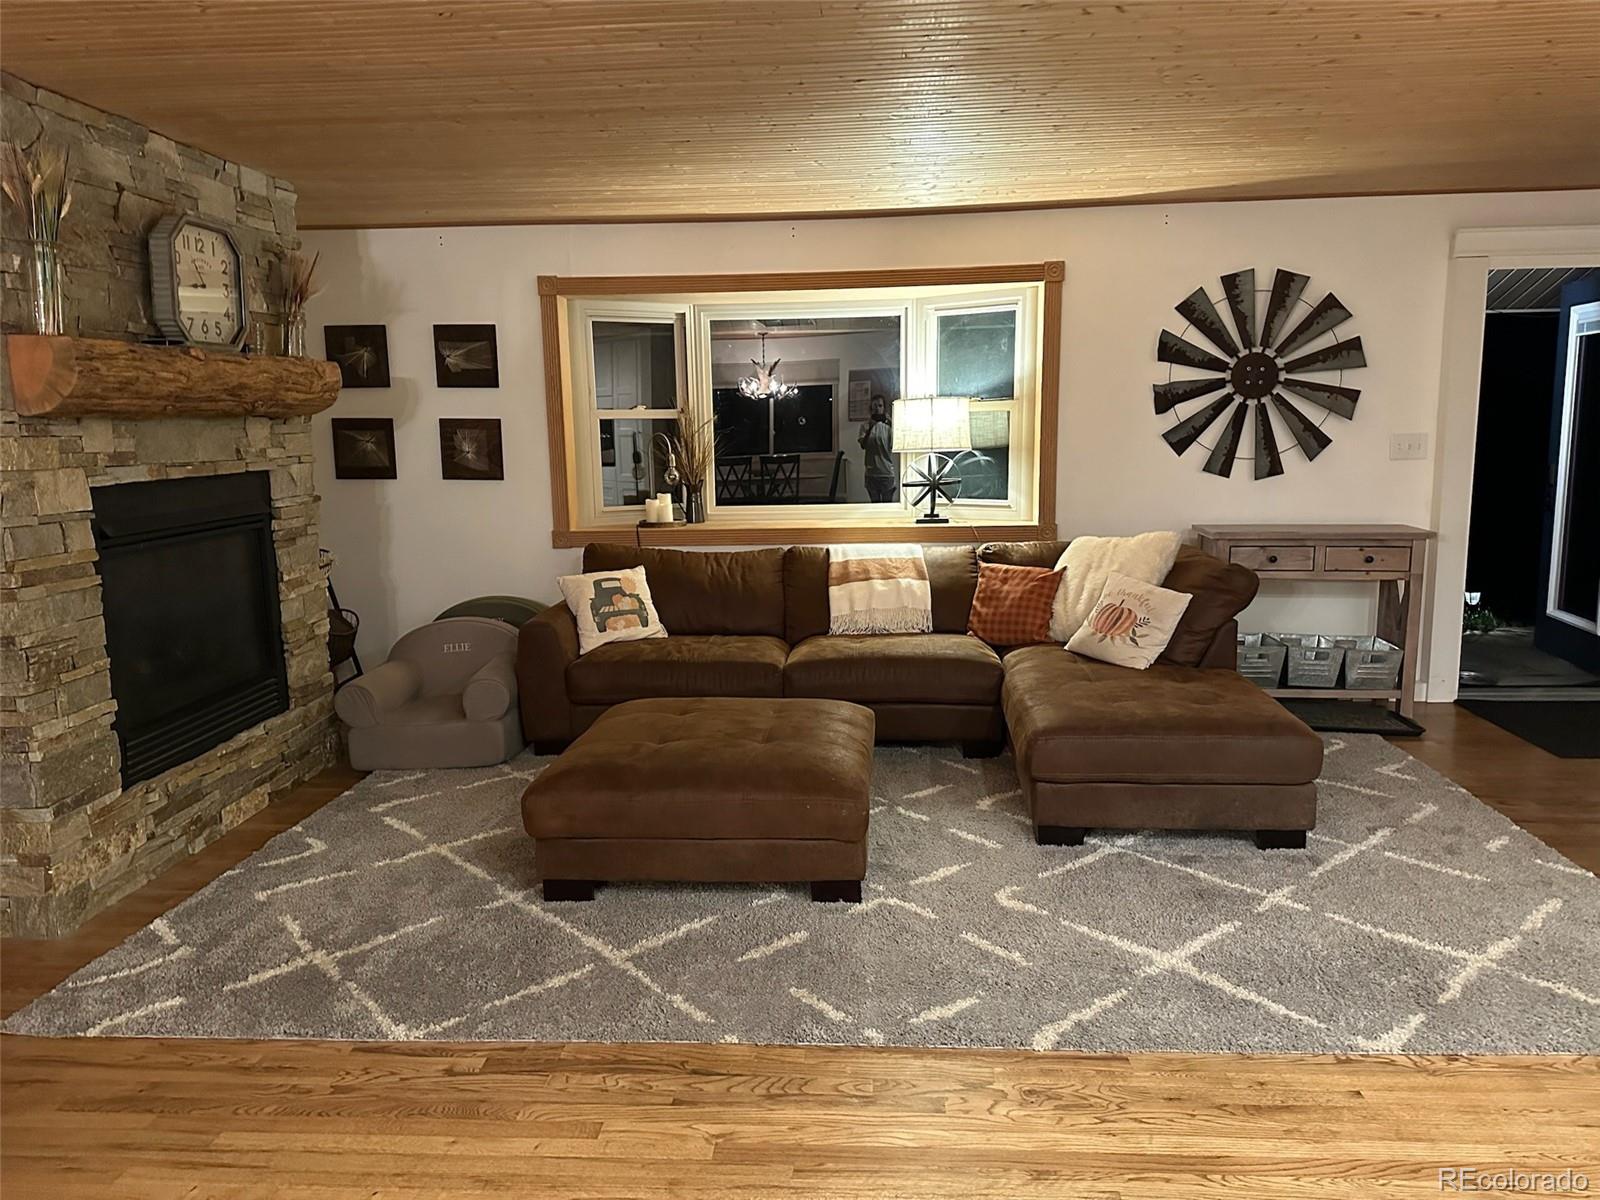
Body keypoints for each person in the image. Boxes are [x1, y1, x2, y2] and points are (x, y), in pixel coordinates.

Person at [858, 394, 896, 502]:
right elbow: (863, 445)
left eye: (880, 405)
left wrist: (892, 423)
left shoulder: (889, 428)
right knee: (874, 505)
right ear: (870, 408)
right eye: (874, 406)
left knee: (887, 507)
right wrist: (870, 427)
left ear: (884, 408)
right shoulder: (865, 426)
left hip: (886, 472)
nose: (877, 409)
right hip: (871, 473)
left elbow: (896, 444)